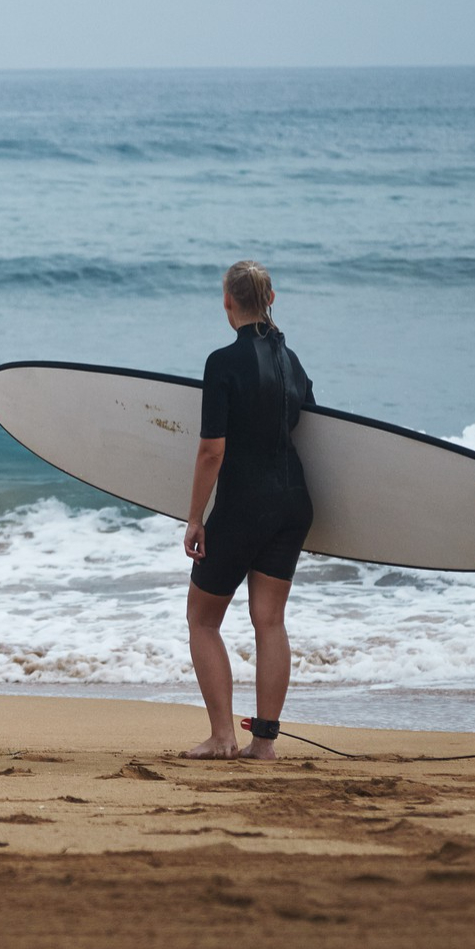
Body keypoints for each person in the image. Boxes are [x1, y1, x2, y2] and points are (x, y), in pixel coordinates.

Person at [180, 260, 315, 760]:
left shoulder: (223, 363)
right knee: (270, 621)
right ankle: (264, 744)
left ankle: (222, 737)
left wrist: (195, 517)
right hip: (293, 504)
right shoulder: (292, 361)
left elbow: (211, 451)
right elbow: (312, 430)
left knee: (202, 620)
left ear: (227, 302)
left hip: (243, 506)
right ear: (271, 299)